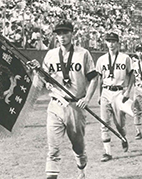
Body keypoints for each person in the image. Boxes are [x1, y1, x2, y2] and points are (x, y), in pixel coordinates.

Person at [30, 20, 98, 179]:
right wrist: (36, 70)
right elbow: (42, 80)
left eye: (65, 33)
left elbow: (94, 78)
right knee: (53, 149)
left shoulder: (83, 53)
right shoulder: (51, 54)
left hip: (75, 106)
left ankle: (81, 170)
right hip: (55, 104)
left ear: (72, 34)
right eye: (59, 34)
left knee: (78, 147)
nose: (62, 37)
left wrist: (87, 98)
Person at [96, 31, 134, 162]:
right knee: (104, 123)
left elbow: (131, 74)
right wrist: (99, 95)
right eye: (108, 41)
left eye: (113, 41)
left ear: (118, 43)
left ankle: (123, 137)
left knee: (119, 125)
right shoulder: (101, 60)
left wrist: (128, 91)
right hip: (106, 91)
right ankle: (107, 152)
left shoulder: (125, 58)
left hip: (119, 92)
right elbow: (99, 79)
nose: (111, 44)